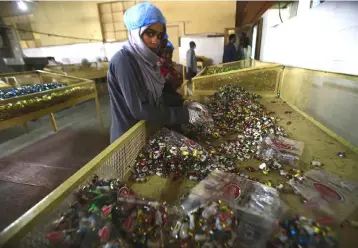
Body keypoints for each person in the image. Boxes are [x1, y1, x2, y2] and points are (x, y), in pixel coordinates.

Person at [107, 2, 211, 143]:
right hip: (129, 138)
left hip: (148, 131)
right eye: (150, 33)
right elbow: (140, 109)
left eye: (159, 35)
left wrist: (183, 103)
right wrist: (185, 115)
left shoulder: (149, 60)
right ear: (136, 32)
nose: (156, 40)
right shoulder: (124, 61)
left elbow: (158, 95)